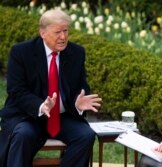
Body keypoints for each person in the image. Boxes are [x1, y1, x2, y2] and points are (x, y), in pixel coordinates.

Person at [0, 9, 102, 167]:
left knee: (86, 135)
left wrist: (77, 103)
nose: (63, 37)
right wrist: (40, 106)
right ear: (43, 33)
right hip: (29, 116)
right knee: (23, 134)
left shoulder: (76, 52)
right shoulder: (21, 52)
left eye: (66, 31)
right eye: (57, 32)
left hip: (63, 116)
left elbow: (81, 86)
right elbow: (16, 91)